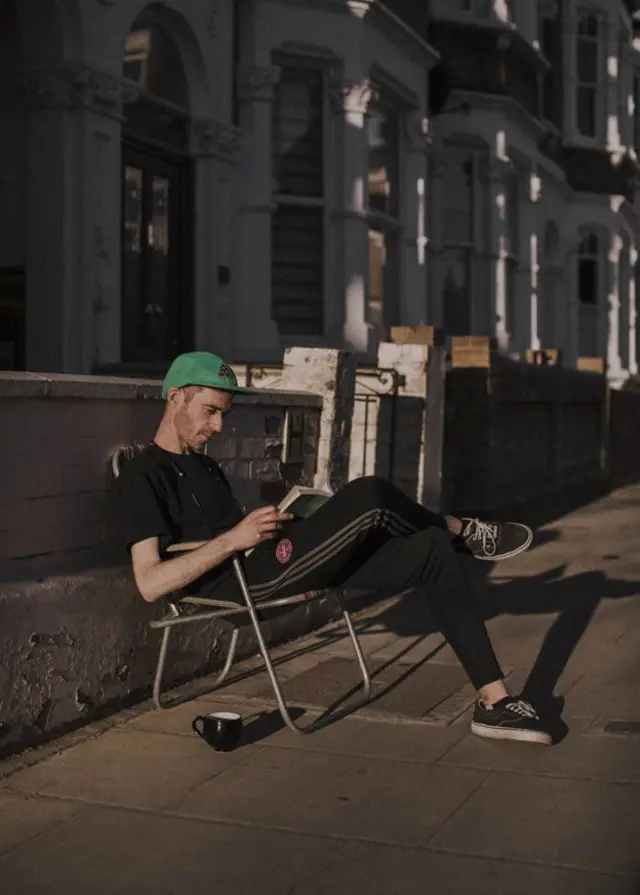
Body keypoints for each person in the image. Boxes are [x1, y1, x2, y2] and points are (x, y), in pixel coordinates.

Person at [112, 351, 553, 746]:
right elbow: (151, 583)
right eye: (210, 411)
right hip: (244, 587)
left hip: (269, 558)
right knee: (369, 494)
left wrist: (277, 522)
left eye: (223, 414)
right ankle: (461, 529)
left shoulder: (204, 465)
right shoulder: (142, 476)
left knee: (432, 548)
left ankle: (494, 702)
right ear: (175, 398)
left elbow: (235, 531)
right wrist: (234, 539)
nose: (219, 426)